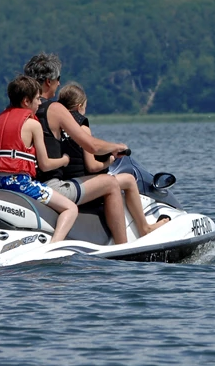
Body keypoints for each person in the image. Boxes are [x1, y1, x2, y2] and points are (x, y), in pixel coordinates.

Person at [22, 53, 153, 243]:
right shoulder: (55, 109)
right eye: (58, 80)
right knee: (109, 183)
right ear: (49, 82)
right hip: (50, 185)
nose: (59, 85)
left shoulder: (21, 109)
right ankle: (122, 247)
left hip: (27, 183)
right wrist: (116, 147)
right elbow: (91, 145)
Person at [58, 82, 170, 233]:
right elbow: (92, 166)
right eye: (85, 106)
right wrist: (108, 161)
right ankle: (145, 228)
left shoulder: (56, 124)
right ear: (79, 106)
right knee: (129, 180)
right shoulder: (81, 127)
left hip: (62, 183)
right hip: (80, 185)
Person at [0, 75, 78, 243]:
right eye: (37, 99)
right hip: (18, 183)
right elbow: (45, 165)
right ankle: (54, 246)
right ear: (26, 101)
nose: (39, 103)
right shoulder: (33, 124)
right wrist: (64, 160)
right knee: (70, 208)